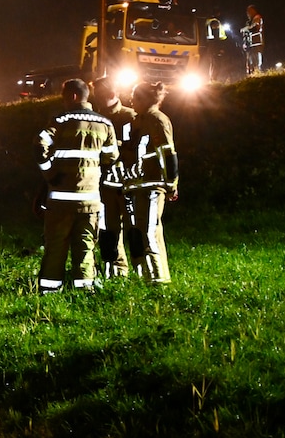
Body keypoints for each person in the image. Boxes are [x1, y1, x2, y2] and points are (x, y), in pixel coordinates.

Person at [35, 78, 118, 294]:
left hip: (60, 200)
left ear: (72, 96)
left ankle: (50, 290)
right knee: (85, 246)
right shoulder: (106, 124)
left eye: (64, 97)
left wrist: (50, 175)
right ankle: (84, 289)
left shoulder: (59, 121)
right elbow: (111, 158)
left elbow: (39, 145)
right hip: (90, 200)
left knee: (55, 246)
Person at [122, 82, 178, 284]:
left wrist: (171, 183)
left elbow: (167, 152)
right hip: (136, 185)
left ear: (145, 99)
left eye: (134, 97)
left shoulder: (157, 120)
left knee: (149, 230)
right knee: (136, 231)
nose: (131, 101)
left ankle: (158, 277)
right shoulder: (138, 121)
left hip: (152, 185)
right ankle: (142, 274)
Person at [91, 77, 136, 278]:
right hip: (105, 183)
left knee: (135, 227)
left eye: (100, 93)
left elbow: (135, 148)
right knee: (108, 228)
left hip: (128, 181)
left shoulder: (130, 117)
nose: (97, 97)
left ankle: (142, 268)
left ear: (112, 93)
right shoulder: (94, 117)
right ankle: (117, 269)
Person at [242, 5, 264, 75]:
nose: (248, 14)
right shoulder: (250, 21)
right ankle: (252, 75)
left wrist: (246, 28)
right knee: (250, 62)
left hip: (256, 43)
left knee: (256, 62)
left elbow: (255, 28)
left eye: (249, 12)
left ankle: (257, 75)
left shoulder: (257, 18)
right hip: (251, 45)